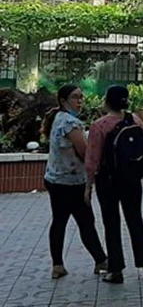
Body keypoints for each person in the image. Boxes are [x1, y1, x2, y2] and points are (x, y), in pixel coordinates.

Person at [85, 85, 143, 284]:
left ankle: (115, 270)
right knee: (136, 220)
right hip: (131, 179)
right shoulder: (135, 121)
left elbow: (92, 159)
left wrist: (88, 185)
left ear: (106, 101)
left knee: (111, 223)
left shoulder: (99, 125)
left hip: (108, 180)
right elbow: (142, 147)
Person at [41, 84, 108, 279]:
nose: (79, 101)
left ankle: (58, 265)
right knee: (86, 221)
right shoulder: (71, 123)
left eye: (81, 97)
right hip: (71, 182)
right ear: (63, 101)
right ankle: (101, 260)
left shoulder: (57, 118)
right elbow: (85, 152)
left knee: (59, 221)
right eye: (75, 97)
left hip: (54, 178)